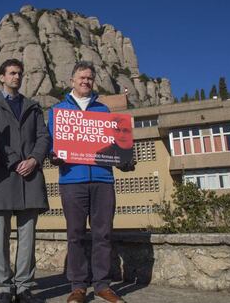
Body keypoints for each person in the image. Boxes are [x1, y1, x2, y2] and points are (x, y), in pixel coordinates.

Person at [48, 61, 134, 303]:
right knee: (75, 234)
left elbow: (116, 146)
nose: (85, 81)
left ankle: (102, 285)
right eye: (81, 77)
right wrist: (54, 156)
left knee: (103, 234)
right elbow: (53, 145)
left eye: (89, 78)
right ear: (72, 80)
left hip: (103, 179)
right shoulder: (58, 112)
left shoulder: (104, 111)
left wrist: (125, 159)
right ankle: (77, 287)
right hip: (71, 181)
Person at [0, 59, 50, 303]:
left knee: (28, 236)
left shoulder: (32, 106)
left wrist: (34, 159)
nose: (16, 77)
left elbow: (44, 137)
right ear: (1, 77)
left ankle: (23, 286)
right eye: (12, 73)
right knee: (0, 236)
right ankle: (4, 287)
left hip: (30, 177)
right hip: (2, 177)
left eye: (19, 73)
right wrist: (14, 161)